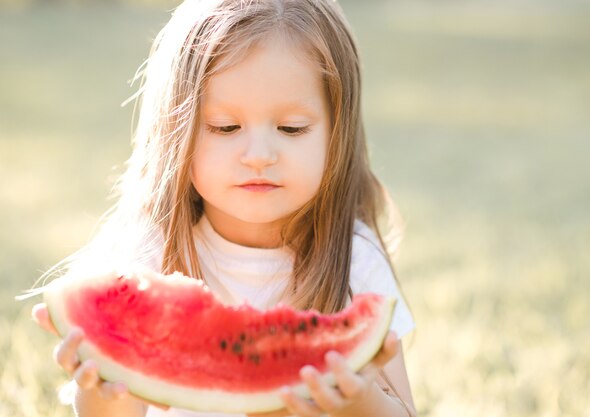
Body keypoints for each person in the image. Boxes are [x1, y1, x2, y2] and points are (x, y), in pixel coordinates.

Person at [32, 0, 416, 416]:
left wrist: (362, 402)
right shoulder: (148, 253)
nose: (258, 154)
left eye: (291, 129)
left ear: (336, 132)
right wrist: (101, 388)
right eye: (225, 127)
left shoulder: (356, 259)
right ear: (176, 130)